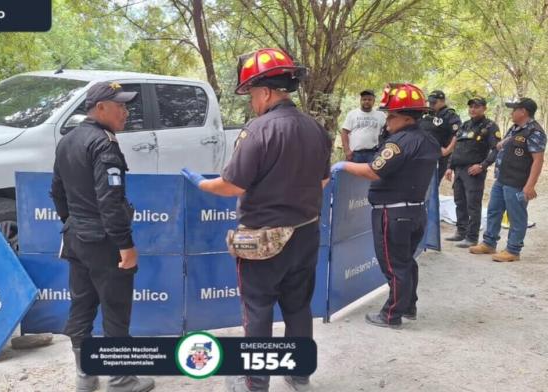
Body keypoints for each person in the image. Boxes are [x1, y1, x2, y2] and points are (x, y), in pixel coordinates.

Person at [182, 48, 331, 392]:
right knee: (297, 307)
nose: (251, 102)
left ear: (265, 92)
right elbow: (323, 181)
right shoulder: (316, 129)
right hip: (306, 233)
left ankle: (254, 381)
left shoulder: (259, 130)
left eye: (251, 94)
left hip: (265, 239)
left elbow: (232, 184)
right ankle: (299, 373)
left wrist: (201, 183)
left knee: (258, 309)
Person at [51, 81, 155, 392]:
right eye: (120, 105)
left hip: (77, 239)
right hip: (105, 242)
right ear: (100, 109)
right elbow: (110, 200)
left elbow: (57, 192)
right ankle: (121, 379)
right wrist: (125, 245)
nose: (126, 111)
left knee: (81, 307)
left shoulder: (67, 141)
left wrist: (74, 224)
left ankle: (86, 375)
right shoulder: (103, 143)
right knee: (115, 309)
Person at [334, 83, 440, 329]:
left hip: (392, 212)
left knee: (393, 264)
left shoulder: (398, 143)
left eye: (391, 115)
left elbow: (373, 170)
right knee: (406, 261)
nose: (387, 120)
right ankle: (408, 305)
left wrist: (342, 166)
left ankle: (391, 314)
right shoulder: (429, 140)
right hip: (415, 210)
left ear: (405, 118)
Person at [469, 98, 546, 262]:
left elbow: (538, 160)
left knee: (516, 215)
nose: (511, 113)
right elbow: (506, 144)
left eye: (514, 110)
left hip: (517, 182)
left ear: (523, 111)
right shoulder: (515, 128)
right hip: (502, 178)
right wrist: (503, 143)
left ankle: (513, 250)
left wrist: (530, 186)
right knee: (493, 211)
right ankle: (489, 243)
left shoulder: (535, 132)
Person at [444, 97, 500, 248]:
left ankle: (472, 237)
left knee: (472, 205)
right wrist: (449, 166)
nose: (473, 109)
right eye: (471, 107)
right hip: (459, 170)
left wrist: (482, 166)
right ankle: (461, 232)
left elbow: (496, 149)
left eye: (477, 106)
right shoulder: (465, 125)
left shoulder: (490, 126)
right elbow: (457, 148)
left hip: (473, 171)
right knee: (459, 202)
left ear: (484, 108)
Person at [419, 90, 462, 185]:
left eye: (434, 102)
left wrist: (448, 150)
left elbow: (458, 133)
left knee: (431, 186)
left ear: (442, 101)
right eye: (430, 102)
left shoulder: (450, 115)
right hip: (422, 155)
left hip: (438, 157)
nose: (431, 104)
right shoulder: (426, 114)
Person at [341, 89, 387, 163]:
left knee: (370, 174)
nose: (367, 101)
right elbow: (344, 132)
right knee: (353, 174)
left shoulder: (381, 115)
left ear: (373, 101)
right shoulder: (352, 114)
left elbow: (388, 130)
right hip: (355, 154)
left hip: (373, 153)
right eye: (364, 99)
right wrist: (347, 150)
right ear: (360, 101)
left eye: (369, 99)